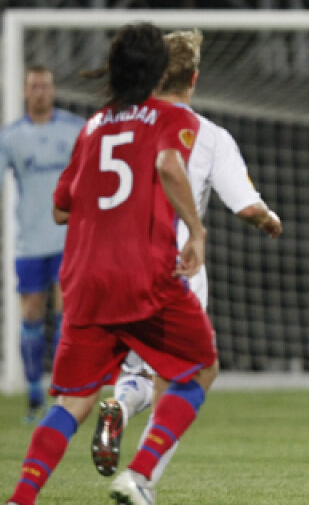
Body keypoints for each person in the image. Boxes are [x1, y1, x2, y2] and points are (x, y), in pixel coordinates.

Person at [5, 22, 213, 505]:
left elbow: (61, 207)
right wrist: (197, 233)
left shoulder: (91, 127)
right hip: (143, 276)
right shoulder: (169, 117)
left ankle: (20, 498)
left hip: (83, 279)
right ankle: (137, 475)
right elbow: (167, 164)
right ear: (159, 72)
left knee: (72, 401)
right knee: (199, 368)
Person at [89, 29, 283, 482]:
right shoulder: (207, 135)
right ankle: (141, 478)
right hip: (175, 266)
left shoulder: (114, 124)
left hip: (115, 264)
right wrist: (269, 219)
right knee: (186, 377)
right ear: (193, 79)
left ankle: (118, 405)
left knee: (137, 366)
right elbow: (246, 205)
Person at [0, 66, 85, 422]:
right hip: (30, 240)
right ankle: (34, 395)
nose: (40, 92)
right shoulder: (11, 136)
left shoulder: (75, 128)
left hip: (68, 238)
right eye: (34, 86)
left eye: (46, 86)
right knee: (32, 312)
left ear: (53, 90)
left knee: (66, 311)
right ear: (24, 91)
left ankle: (64, 392)